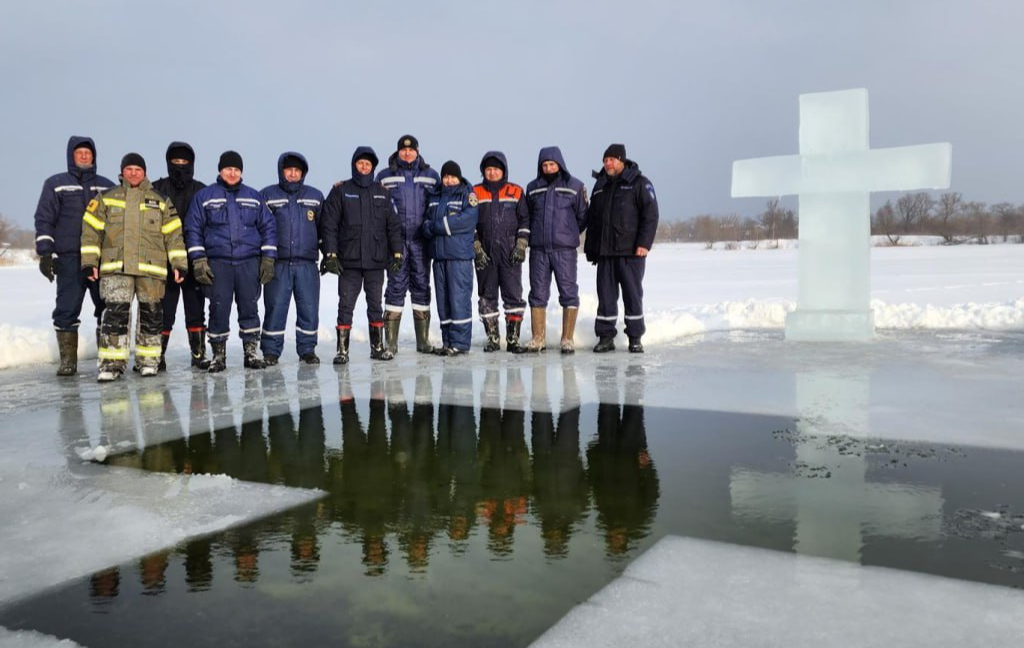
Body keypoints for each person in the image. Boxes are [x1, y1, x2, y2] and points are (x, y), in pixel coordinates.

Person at [80, 153, 187, 381]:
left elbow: (174, 236)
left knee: (151, 315)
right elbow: (91, 232)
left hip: (151, 270)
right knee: (115, 316)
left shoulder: (160, 200)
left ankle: (148, 362)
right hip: (116, 268)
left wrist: (179, 264)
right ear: (122, 172)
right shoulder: (106, 198)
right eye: (129, 169)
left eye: (138, 169)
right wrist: (89, 263)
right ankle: (111, 365)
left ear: (145, 172)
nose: (134, 173)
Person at [184, 151, 277, 372]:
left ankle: (251, 352)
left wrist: (268, 258)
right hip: (218, 263)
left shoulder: (254, 197)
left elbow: (268, 228)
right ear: (220, 170)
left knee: (249, 307)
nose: (232, 173)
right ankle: (218, 355)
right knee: (218, 308)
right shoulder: (205, 196)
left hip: (248, 263)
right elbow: (193, 228)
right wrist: (198, 260)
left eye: (236, 169)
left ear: (241, 172)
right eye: (228, 169)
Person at [34, 136, 115, 376]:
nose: (83, 156)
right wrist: (46, 253)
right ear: (71, 155)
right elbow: (44, 218)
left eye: (87, 153)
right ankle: (68, 362)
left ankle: (108, 359)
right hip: (70, 257)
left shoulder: (107, 186)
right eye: (79, 152)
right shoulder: (56, 184)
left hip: (101, 259)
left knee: (107, 307)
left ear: (94, 156)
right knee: (67, 309)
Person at [320, 146, 404, 364]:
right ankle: (342, 350)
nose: (364, 167)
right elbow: (329, 224)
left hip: (376, 261)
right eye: (360, 163)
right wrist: (330, 254)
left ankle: (377, 347)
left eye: (368, 164)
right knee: (346, 304)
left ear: (373, 167)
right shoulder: (341, 191)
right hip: (349, 260)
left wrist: (397, 253)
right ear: (354, 165)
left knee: (375, 304)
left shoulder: (382, 192)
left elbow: (393, 226)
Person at [585, 144, 659, 353]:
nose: (607, 163)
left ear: (622, 161)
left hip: (630, 253)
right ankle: (606, 337)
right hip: (606, 253)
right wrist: (591, 248)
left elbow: (651, 215)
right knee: (605, 297)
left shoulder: (639, 183)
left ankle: (635, 337)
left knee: (632, 295)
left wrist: (644, 244)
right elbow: (593, 220)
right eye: (605, 160)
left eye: (611, 160)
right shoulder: (600, 186)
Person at [376, 135, 440, 355]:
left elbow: (441, 201)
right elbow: (372, 200)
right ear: (398, 152)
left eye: (411, 150)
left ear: (418, 151)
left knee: (422, 287)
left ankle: (423, 342)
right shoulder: (385, 176)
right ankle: (391, 344)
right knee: (395, 287)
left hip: (421, 241)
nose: (407, 153)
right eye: (403, 151)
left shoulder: (431, 176)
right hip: (396, 242)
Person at [260, 152, 325, 365]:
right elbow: (260, 228)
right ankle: (271, 351)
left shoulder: (315, 196)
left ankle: (307, 349)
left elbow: (325, 228)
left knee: (308, 309)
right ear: (281, 171)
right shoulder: (267, 195)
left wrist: (329, 252)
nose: (293, 173)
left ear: (303, 173)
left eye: (297, 170)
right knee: (275, 308)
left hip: (307, 264)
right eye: (289, 170)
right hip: (278, 264)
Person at [521, 146, 588, 354]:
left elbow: (583, 216)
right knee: (538, 293)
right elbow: (527, 215)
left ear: (560, 164)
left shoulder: (575, 186)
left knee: (568, 292)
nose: (548, 168)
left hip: (564, 250)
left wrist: (568, 232)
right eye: (545, 165)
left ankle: (567, 339)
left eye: (552, 164)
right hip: (539, 250)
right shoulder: (532, 188)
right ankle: (537, 338)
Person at [152, 141, 208, 370]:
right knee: (164, 312)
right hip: (164, 263)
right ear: (168, 162)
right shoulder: (156, 189)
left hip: (194, 261)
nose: (180, 165)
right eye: (176, 161)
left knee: (195, 310)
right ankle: (158, 355)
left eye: (185, 162)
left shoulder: (201, 190)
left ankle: (198, 353)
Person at [420, 161, 479, 356]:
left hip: (459, 257)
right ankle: (448, 342)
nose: (449, 180)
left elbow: (467, 219)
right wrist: (428, 227)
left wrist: (438, 226)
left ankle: (460, 343)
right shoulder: (435, 195)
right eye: (446, 176)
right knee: (443, 301)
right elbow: (426, 220)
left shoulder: (467, 194)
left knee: (458, 299)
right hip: (439, 257)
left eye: (453, 176)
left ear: (459, 177)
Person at [472, 151, 530, 352]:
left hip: (510, 253)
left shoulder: (516, 191)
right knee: (487, 296)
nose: (492, 173)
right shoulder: (475, 193)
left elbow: (525, 220)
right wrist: (476, 248)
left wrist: (521, 245)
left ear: (503, 171)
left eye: (496, 169)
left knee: (513, 295)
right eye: (488, 169)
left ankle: (513, 340)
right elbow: (468, 223)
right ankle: (493, 339)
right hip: (485, 254)